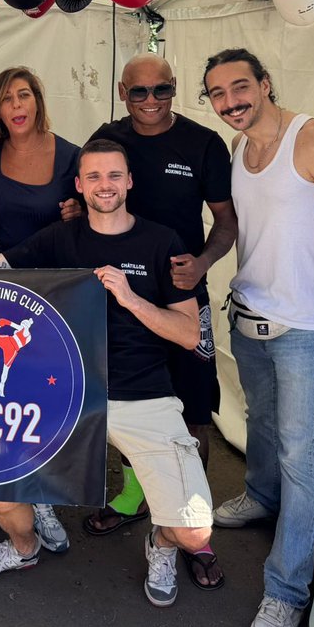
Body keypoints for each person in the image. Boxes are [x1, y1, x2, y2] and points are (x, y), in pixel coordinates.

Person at [0, 139, 215, 609]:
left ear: (130, 181)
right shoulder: (61, 237)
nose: (104, 185)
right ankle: (23, 547)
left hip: (142, 397)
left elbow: (188, 333)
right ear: (79, 185)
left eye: (114, 175)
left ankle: (161, 544)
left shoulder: (162, 241)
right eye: (93, 177)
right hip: (62, 394)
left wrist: (132, 299)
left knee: (193, 531)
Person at [201, 48, 314, 627]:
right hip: (249, 315)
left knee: (303, 462)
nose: (230, 102)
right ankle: (258, 496)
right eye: (218, 94)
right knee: (262, 422)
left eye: (239, 88)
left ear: (265, 83)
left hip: (307, 329)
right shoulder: (237, 148)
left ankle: (286, 590)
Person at [86, 53, 235, 590]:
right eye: (139, 93)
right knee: (129, 402)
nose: (151, 102)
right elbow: (91, 192)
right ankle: (132, 498)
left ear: (176, 90)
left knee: (196, 408)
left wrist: (204, 261)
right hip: (120, 298)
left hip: (180, 295)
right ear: (123, 92)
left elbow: (226, 221)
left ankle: (193, 525)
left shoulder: (203, 143)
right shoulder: (107, 137)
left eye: (162, 91)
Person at [0, 66, 81, 554]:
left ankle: (42, 493)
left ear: (38, 100)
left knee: (40, 403)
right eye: (6, 99)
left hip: (50, 296)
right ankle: (31, 495)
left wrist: (80, 214)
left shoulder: (72, 157)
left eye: (24, 95)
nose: (16, 106)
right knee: (5, 403)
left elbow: (101, 217)